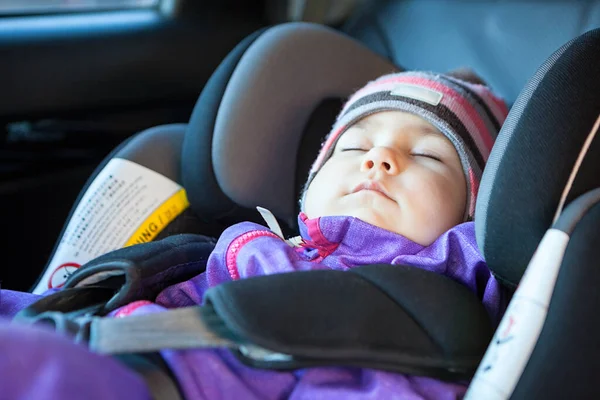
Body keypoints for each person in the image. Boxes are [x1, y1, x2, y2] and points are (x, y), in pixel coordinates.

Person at [0, 69, 510, 400]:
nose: (380, 159)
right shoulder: (254, 248)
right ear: (310, 189)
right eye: (353, 149)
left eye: (428, 155)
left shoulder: (432, 306)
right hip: (97, 339)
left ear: (473, 209)